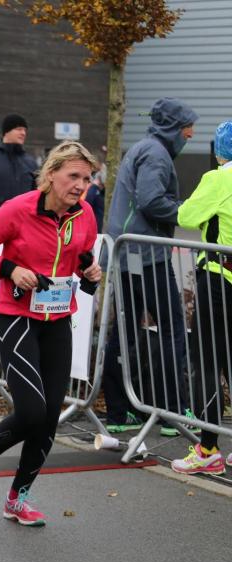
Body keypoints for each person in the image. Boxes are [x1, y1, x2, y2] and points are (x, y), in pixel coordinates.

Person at [0, 140, 101, 526]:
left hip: (58, 319)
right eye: (73, 176)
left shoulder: (85, 214)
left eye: (87, 178)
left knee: (50, 416)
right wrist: (10, 269)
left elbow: (81, 256)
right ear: (51, 174)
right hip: (17, 317)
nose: (80, 185)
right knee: (32, 411)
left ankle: (18, 498)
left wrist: (90, 271)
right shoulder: (18, 209)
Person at [102, 98, 198, 436]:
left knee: (125, 331)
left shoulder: (143, 148)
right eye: (187, 126)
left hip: (128, 253)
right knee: (172, 329)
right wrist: (187, 212)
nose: (191, 133)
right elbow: (151, 200)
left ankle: (118, 412)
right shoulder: (156, 154)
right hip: (146, 254)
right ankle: (173, 412)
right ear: (173, 127)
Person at [170, 121, 232, 475]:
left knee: (208, 362)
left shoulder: (219, 178)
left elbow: (187, 216)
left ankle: (208, 449)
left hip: (220, 279)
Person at [84, 164, 106, 233]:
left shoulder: (100, 191)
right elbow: (86, 207)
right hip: (93, 228)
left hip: (98, 227)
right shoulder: (93, 191)